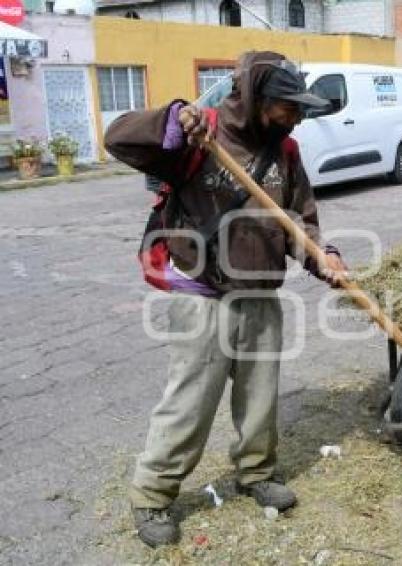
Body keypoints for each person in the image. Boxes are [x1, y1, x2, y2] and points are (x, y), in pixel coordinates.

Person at [104, 51, 347, 548]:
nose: (296, 117)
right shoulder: (202, 133)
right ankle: (152, 495)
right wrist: (174, 118)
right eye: (288, 107)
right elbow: (119, 137)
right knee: (190, 401)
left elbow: (300, 217)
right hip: (204, 295)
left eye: (299, 109)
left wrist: (325, 256)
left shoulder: (287, 151)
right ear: (259, 99)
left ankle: (256, 473)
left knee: (259, 397)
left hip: (260, 292)